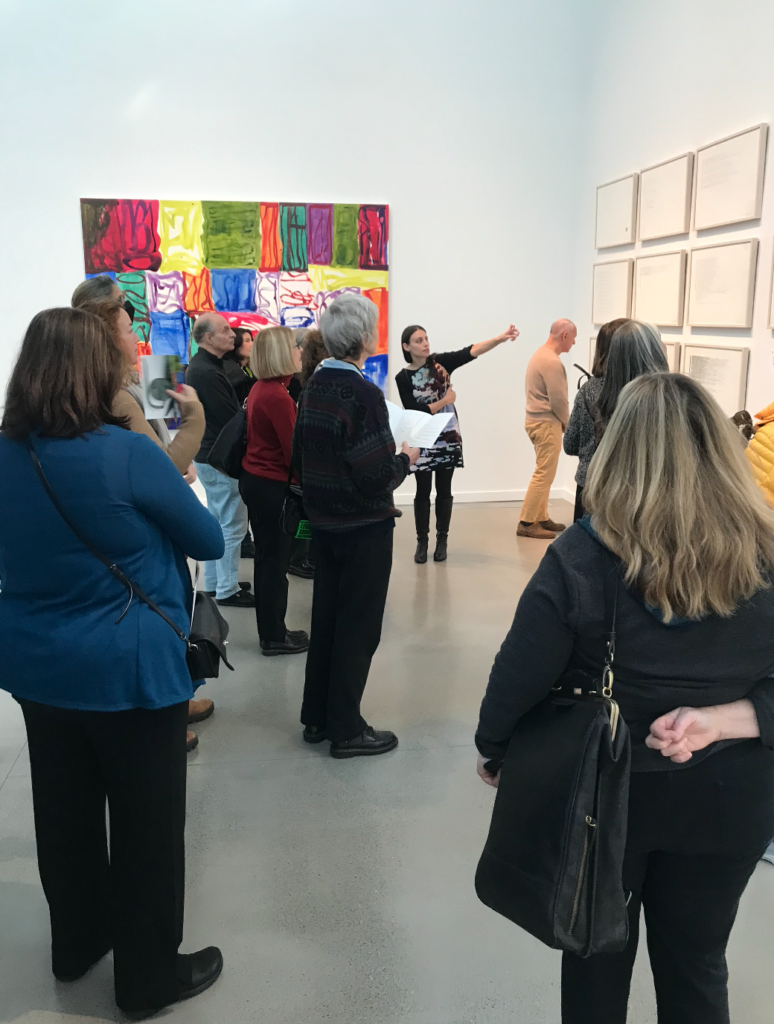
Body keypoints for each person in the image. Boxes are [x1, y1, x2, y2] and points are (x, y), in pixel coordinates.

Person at [476, 372, 774, 1024]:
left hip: (605, 793)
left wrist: (495, 748)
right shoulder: (766, 550)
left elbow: (518, 673)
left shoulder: (584, 553)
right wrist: (727, 720)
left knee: (592, 960)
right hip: (733, 800)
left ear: (619, 450)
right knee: (698, 964)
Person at [0, 307, 226, 1015]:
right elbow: (208, 539)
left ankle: (77, 946)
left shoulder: (6, 452)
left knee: (61, 814)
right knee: (147, 828)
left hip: (37, 665)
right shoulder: (124, 453)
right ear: (96, 368)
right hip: (130, 667)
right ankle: (147, 980)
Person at [77, 297, 213, 749]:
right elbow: (157, 468)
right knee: (162, 611)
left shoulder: (125, 383)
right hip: (149, 520)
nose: (135, 336)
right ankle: (166, 711)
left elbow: (158, 447)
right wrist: (193, 420)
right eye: (125, 328)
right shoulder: (115, 395)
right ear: (103, 337)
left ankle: (178, 698)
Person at [293, 294, 420, 757]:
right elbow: (373, 477)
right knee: (359, 628)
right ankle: (346, 729)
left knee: (326, 619)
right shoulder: (363, 393)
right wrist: (405, 458)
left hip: (324, 524)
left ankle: (317, 717)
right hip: (362, 527)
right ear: (365, 338)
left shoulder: (312, 387)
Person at [397, 322, 519, 563]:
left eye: (426, 338)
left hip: (447, 437)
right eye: (419, 340)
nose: (425, 343)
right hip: (421, 437)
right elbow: (414, 409)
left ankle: (442, 540)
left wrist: (500, 338)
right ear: (406, 346)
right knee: (422, 492)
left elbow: (471, 351)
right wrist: (446, 400)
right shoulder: (403, 377)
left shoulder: (440, 363)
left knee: (444, 490)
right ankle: (422, 541)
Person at [239, 327, 310, 656]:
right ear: (282, 353)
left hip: (257, 481)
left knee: (268, 562)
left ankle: (271, 632)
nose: (300, 353)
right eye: (295, 348)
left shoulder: (262, 388)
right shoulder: (277, 396)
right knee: (274, 565)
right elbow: (293, 453)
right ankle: (274, 636)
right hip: (270, 487)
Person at [186, 313, 254, 608]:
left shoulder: (204, 367)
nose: (233, 335)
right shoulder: (208, 372)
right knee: (233, 526)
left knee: (219, 521)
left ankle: (216, 583)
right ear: (208, 338)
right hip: (219, 458)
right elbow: (230, 418)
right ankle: (227, 589)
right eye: (226, 330)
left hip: (209, 455)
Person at [563, 318, 628, 522]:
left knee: (586, 549)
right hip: (627, 489)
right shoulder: (642, 392)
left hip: (590, 483)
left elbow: (570, 444)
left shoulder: (588, 390)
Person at [519, 319, 576, 539]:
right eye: (573, 338)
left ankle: (540, 517)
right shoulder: (552, 361)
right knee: (544, 473)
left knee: (545, 471)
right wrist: (567, 423)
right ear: (564, 336)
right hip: (545, 423)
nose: (573, 344)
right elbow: (558, 400)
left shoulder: (540, 354)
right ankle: (526, 522)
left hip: (536, 421)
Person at [222, 327, 256, 405]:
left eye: (252, 340)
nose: (252, 344)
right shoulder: (232, 371)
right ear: (235, 344)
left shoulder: (246, 368)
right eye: (247, 341)